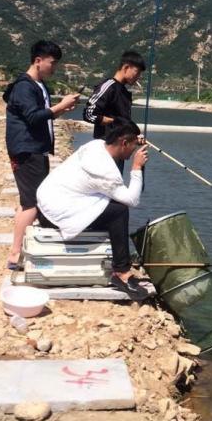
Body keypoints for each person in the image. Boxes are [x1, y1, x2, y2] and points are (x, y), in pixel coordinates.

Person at [37, 120, 150, 301]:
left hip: (44, 204)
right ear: (123, 143)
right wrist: (136, 167)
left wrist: (135, 139)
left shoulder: (96, 145)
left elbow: (112, 187)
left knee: (109, 201)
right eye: (133, 145)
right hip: (54, 214)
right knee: (120, 210)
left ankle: (115, 258)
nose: (134, 150)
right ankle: (121, 271)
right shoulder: (105, 171)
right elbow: (133, 200)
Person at [4, 40, 80, 269]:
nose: (54, 68)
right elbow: (33, 117)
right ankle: (15, 254)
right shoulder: (25, 87)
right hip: (27, 151)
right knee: (33, 204)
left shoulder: (39, 85)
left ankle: (22, 247)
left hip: (36, 150)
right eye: (52, 63)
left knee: (29, 201)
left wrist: (61, 109)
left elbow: (41, 116)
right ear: (38, 61)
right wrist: (60, 105)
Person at [83, 50, 146, 141]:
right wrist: (114, 121)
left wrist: (134, 137)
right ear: (126, 67)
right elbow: (88, 114)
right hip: (104, 146)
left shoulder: (125, 92)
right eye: (137, 72)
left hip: (119, 149)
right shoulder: (108, 86)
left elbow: (123, 121)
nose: (138, 76)